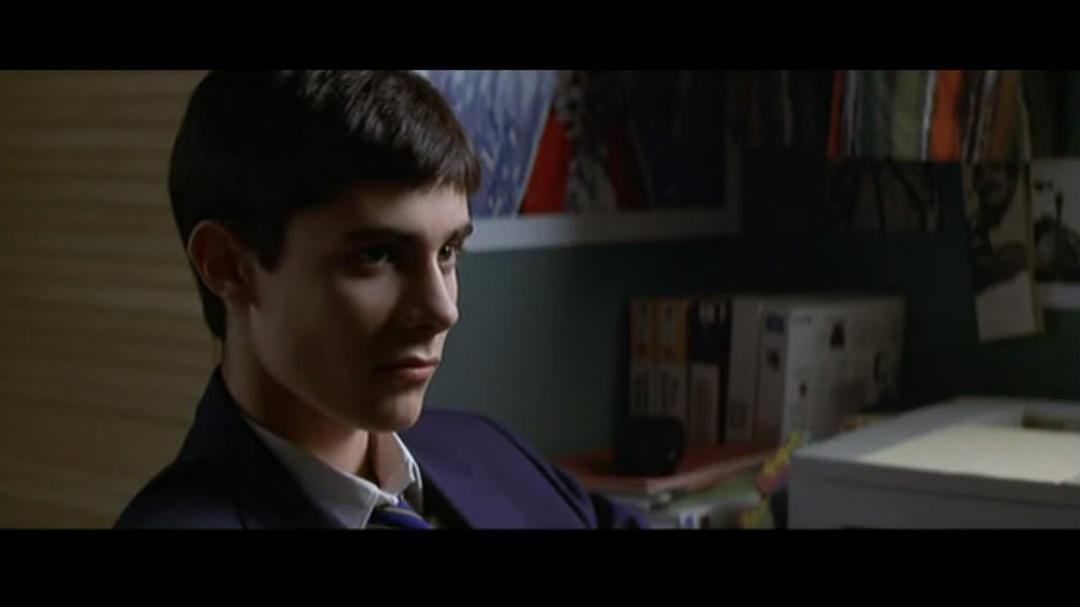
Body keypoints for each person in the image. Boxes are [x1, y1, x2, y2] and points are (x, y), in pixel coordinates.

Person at [114, 70, 645, 529]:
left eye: (448, 252)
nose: (442, 310)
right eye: (377, 255)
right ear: (228, 266)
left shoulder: (488, 451)